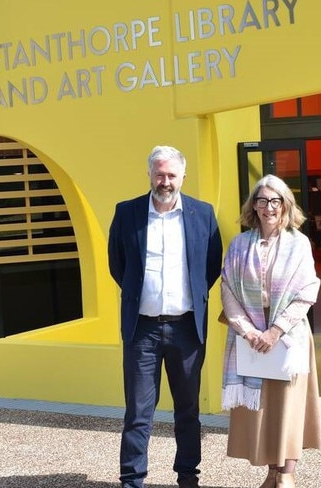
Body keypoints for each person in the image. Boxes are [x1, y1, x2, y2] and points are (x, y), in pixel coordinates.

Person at [108, 145, 223, 488]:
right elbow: (118, 265)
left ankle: (188, 476)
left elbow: (210, 267)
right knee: (138, 413)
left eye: (172, 175)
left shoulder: (202, 214)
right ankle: (132, 480)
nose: (165, 181)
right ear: (149, 174)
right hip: (142, 329)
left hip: (186, 328)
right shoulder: (127, 213)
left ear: (183, 176)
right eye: (159, 174)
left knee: (187, 410)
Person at [220, 174, 321, 488]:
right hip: (251, 337)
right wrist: (248, 331)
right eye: (261, 200)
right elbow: (227, 289)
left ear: (285, 205)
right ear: (254, 206)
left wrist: (275, 331)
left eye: (275, 200)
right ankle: (271, 472)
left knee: (288, 404)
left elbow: (308, 290)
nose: (268, 207)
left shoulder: (299, 243)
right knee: (263, 406)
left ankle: (287, 472)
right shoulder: (239, 244)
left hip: (287, 335)